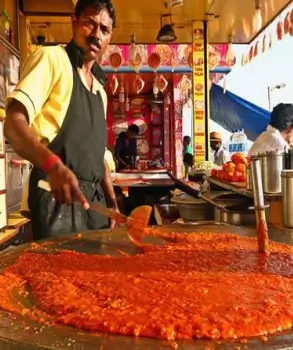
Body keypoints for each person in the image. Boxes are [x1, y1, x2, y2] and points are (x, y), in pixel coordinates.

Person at [4, 0, 118, 240]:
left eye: (104, 30)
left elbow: (99, 157)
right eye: (90, 23)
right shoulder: (52, 59)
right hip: (56, 202)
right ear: (74, 22)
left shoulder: (100, 90)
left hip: (95, 209)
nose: (97, 35)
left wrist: (113, 203)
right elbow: (13, 123)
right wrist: (52, 165)